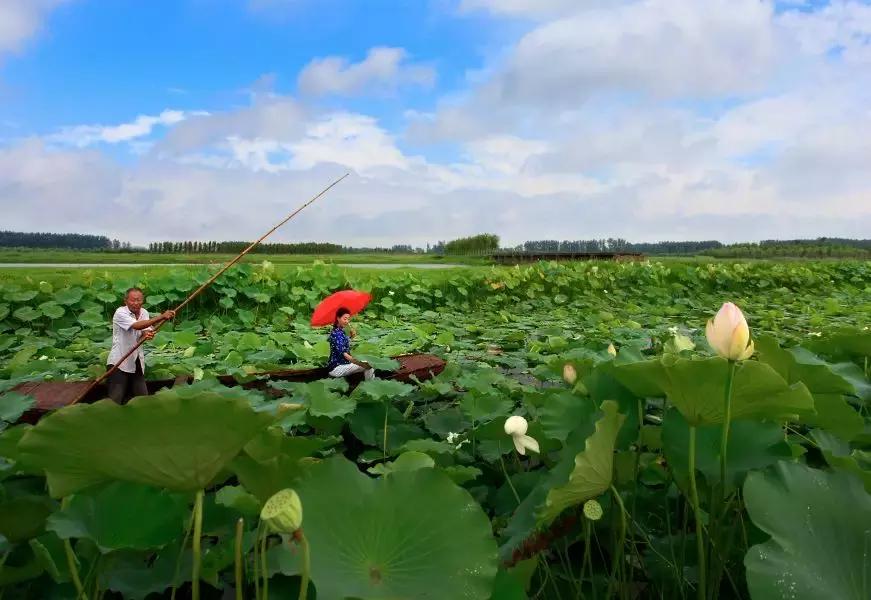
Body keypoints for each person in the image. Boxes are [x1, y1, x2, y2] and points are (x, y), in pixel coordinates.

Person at [106, 287, 175, 404]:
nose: (136, 303)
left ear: (142, 301)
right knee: (115, 399)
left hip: (136, 360)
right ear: (125, 301)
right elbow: (137, 326)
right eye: (133, 300)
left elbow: (143, 332)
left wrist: (147, 335)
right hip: (119, 362)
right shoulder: (120, 312)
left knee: (143, 399)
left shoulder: (144, 313)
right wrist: (161, 316)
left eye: (138, 300)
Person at [326, 307, 374, 380]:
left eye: (348, 319)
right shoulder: (336, 334)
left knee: (369, 363)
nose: (347, 321)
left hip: (344, 365)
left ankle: (370, 385)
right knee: (369, 365)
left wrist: (351, 337)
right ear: (338, 318)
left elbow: (343, 344)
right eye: (345, 319)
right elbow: (345, 355)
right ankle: (370, 386)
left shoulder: (340, 332)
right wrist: (362, 364)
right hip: (337, 368)